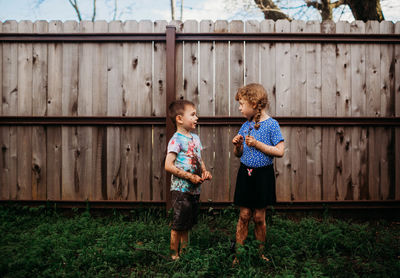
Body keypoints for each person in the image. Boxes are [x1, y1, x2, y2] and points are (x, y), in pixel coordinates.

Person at [232, 83, 284, 264]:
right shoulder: (245, 125)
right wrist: (238, 146)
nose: (239, 108)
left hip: (263, 176)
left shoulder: (271, 125)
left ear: (254, 104)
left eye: (241, 104)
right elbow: (238, 155)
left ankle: (260, 254)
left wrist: (257, 144)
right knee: (244, 215)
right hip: (245, 174)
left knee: (259, 217)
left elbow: (280, 151)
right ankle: (238, 255)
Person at [165, 99, 212, 260]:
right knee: (178, 224)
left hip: (194, 189)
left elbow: (199, 159)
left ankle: (185, 253)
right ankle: (174, 255)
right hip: (181, 189)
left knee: (187, 223)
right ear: (179, 119)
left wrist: (204, 172)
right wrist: (189, 176)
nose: (196, 118)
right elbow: (168, 165)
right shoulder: (176, 140)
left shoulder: (196, 139)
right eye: (192, 115)